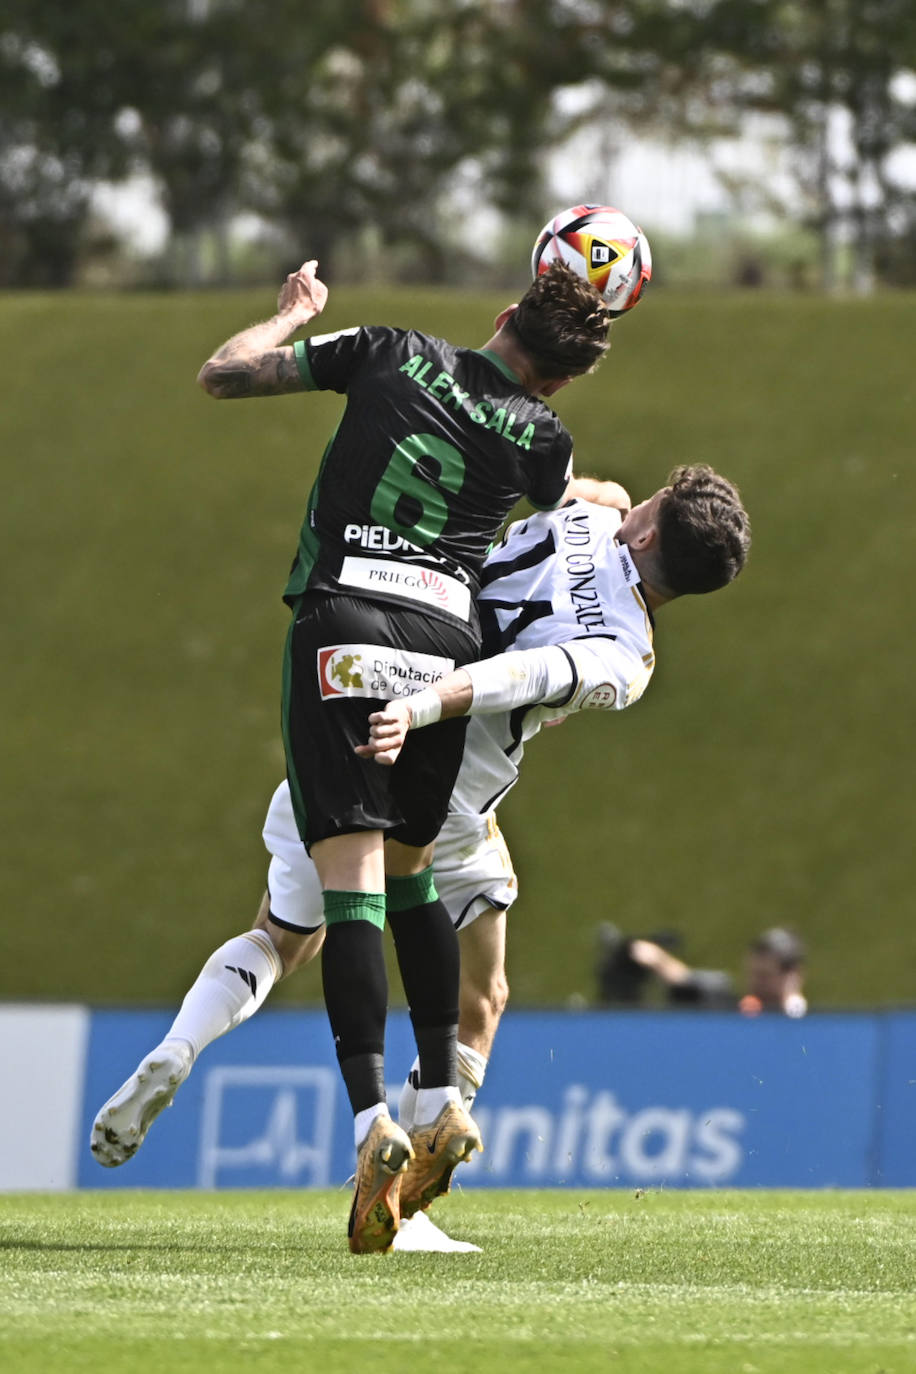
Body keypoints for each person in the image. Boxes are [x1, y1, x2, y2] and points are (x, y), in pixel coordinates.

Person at [92, 466, 750, 1248]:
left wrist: (594, 498)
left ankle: (180, 1045)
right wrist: (433, 706)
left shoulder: (587, 515)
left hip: (354, 735)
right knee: (486, 995)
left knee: (281, 938)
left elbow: (585, 497)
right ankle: (405, 1205)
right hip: (450, 797)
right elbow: (526, 674)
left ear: (645, 529)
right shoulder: (626, 658)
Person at [193, 258, 614, 1253]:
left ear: (502, 314)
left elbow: (223, 374)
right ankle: (440, 1100)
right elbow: (566, 506)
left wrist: (288, 317)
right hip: (440, 656)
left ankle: (370, 1122)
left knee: (349, 891)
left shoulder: (388, 353)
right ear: (558, 382)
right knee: (415, 877)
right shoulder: (545, 440)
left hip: (342, 622)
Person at [597, 925, 807, 1016]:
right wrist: (656, 959)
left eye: (764, 976)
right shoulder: (746, 1009)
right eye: (753, 974)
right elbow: (686, 979)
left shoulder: (803, 1021)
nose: (755, 982)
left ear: (792, 975)